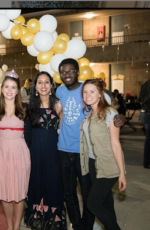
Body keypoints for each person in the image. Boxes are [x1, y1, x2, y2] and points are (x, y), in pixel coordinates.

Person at [56, 58, 125, 230]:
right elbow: (61, 110)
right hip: (69, 152)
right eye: (63, 71)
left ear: (78, 72)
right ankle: (77, 225)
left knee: (90, 198)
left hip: (84, 153)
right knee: (71, 194)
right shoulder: (60, 91)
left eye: (71, 70)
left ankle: (87, 226)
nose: (67, 74)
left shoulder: (90, 91)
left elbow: (110, 108)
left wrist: (120, 117)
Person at [80, 79, 126, 230]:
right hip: (93, 164)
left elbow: (115, 144)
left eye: (92, 91)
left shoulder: (110, 113)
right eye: (85, 92)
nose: (87, 95)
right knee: (106, 203)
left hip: (108, 164)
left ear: (100, 94)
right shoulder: (90, 114)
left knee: (92, 203)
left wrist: (122, 173)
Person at [24, 71, 67, 230]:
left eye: (46, 82)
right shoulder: (29, 107)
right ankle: (37, 221)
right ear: (35, 87)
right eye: (40, 82)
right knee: (36, 185)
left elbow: (63, 128)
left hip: (54, 154)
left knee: (54, 185)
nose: (43, 85)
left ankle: (53, 221)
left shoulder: (58, 104)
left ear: (51, 86)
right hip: (35, 154)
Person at [0, 70, 30, 230]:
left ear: (18, 90)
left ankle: (17, 226)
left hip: (19, 151)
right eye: (6, 86)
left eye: (13, 87)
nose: (10, 90)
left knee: (19, 193)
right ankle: (9, 227)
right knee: (5, 193)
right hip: (0, 152)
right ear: (1, 88)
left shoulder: (25, 109)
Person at [140, 78, 150, 168]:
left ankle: (147, 162)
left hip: (145, 113)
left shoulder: (145, 84)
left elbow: (141, 99)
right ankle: (147, 162)